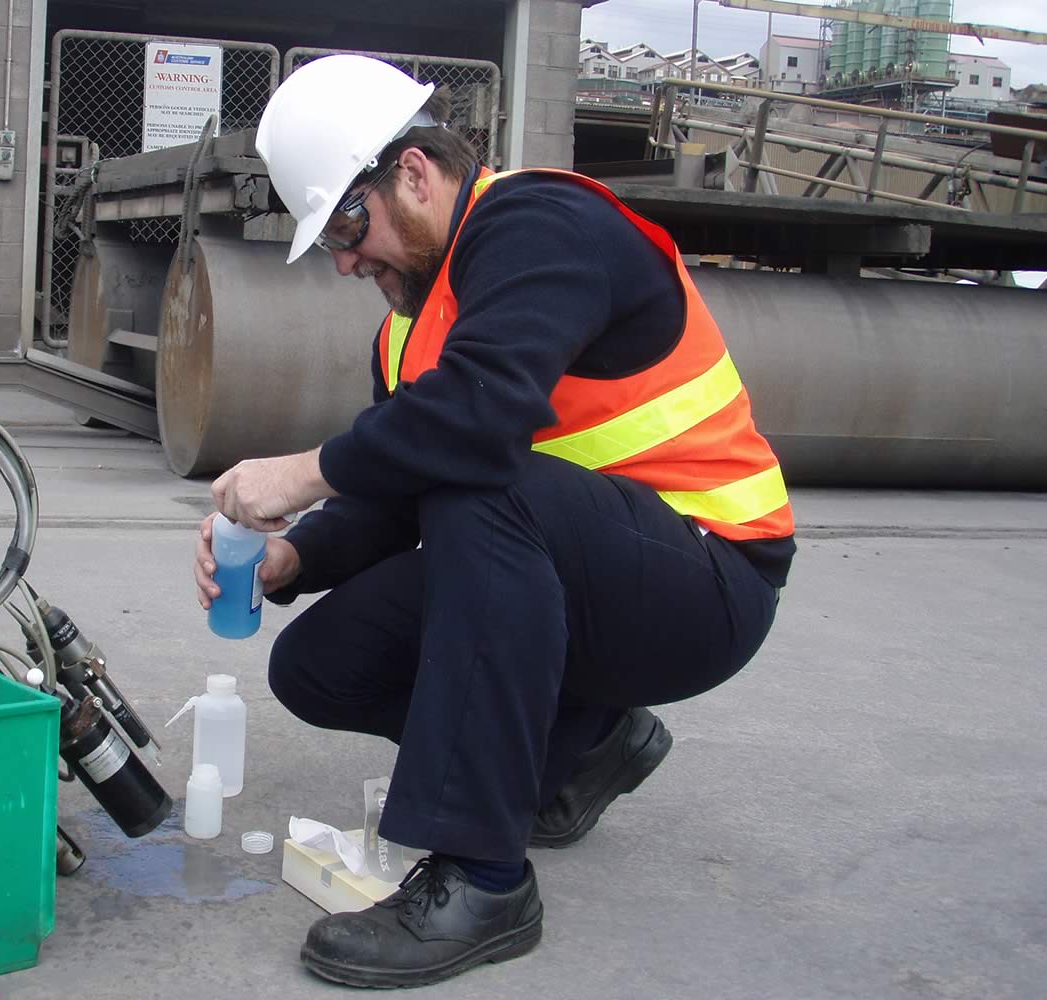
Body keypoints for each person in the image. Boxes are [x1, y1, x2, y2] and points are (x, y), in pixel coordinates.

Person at [191, 54, 795, 989]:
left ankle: (483, 875)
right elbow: (390, 503)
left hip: (707, 579)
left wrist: (300, 472)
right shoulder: (407, 329)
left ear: (415, 173)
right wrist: (288, 556)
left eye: (350, 223)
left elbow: (477, 422)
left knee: (484, 478)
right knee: (317, 666)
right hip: (587, 580)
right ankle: (586, 742)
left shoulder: (539, 224)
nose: (347, 259)